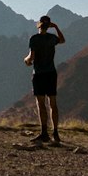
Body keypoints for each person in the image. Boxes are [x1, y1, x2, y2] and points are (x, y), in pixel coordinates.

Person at [24, 15, 65, 146]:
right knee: (53, 102)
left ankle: (44, 133)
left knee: (41, 103)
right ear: (49, 26)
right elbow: (62, 40)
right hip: (51, 73)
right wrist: (57, 27)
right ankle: (56, 133)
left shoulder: (34, 39)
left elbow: (31, 57)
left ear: (39, 24)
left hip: (39, 74)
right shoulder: (52, 38)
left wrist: (26, 60)